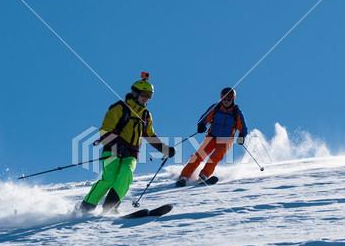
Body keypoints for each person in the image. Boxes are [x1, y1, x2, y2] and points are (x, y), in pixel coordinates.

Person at [80, 76, 176, 213]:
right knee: (109, 178)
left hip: (131, 153)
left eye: (150, 95)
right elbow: (105, 129)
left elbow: (149, 134)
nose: (147, 98)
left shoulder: (146, 115)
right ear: (136, 93)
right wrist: (117, 146)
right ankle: (85, 208)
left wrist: (164, 149)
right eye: (145, 94)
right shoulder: (120, 108)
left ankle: (110, 208)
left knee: (126, 175)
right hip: (112, 149)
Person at [177, 87, 248, 186]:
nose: (226, 101)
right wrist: (201, 125)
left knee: (216, 156)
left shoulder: (237, 112)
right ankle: (184, 177)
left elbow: (243, 128)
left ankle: (204, 175)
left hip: (226, 140)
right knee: (198, 156)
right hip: (212, 137)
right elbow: (204, 118)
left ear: (233, 100)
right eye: (224, 99)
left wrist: (242, 136)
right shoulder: (216, 107)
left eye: (229, 99)